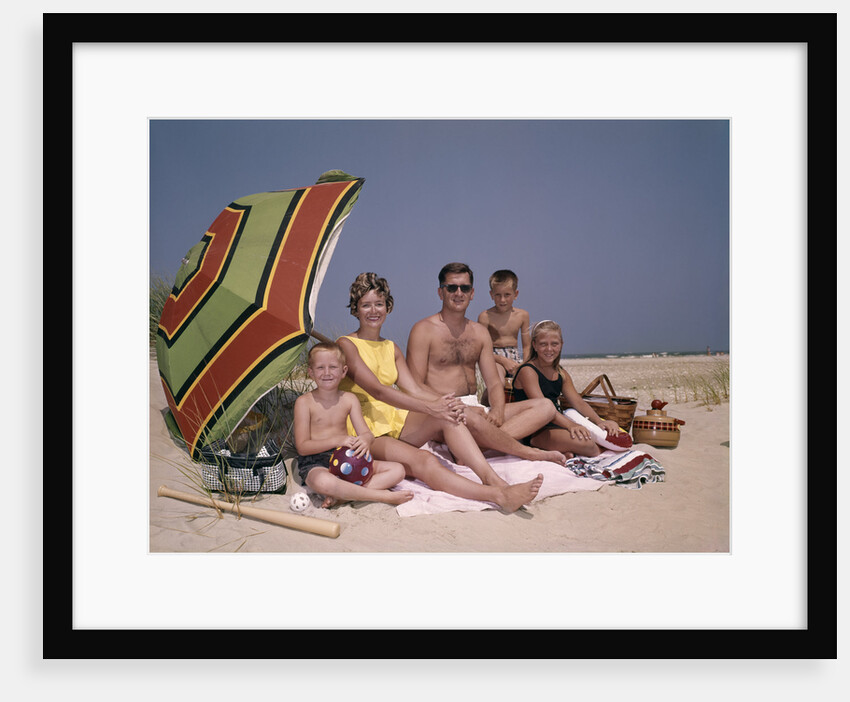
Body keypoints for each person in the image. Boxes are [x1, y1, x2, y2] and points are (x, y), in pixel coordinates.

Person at [336, 272, 544, 514]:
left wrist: (447, 404)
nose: (374, 311)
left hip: (395, 420)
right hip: (365, 431)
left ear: (388, 307)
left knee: (448, 415)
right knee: (425, 461)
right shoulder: (346, 345)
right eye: (366, 305)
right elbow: (378, 391)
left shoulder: (390, 347)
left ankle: (492, 479)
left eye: (379, 304)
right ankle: (498, 495)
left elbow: (412, 388)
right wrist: (428, 407)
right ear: (356, 309)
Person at [405, 262, 565, 465]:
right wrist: (458, 406)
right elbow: (415, 386)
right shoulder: (423, 330)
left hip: (477, 408)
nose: (458, 293)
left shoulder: (479, 333)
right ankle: (526, 452)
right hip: (443, 410)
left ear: (472, 293)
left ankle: (474, 449)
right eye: (452, 287)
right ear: (440, 292)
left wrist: (497, 409)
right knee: (469, 417)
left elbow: (494, 383)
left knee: (546, 407)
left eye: (465, 288)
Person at [293, 342, 414, 508]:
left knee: (398, 470)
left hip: (347, 457)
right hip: (316, 462)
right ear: (311, 372)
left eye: (333, 367)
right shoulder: (304, 402)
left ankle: (343, 496)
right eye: (320, 367)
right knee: (324, 481)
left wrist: (364, 440)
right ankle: (380, 496)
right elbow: (303, 447)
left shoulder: (349, 399)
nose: (327, 373)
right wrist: (339, 440)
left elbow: (366, 434)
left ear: (344, 371)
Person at [512, 320, 622, 458]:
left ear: (561, 344)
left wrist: (600, 422)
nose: (549, 349)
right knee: (587, 444)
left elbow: (578, 402)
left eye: (554, 344)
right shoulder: (528, 371)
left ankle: (563, 450)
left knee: (593, 438)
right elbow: (542, 409)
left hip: (557, 424)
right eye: (543, 344)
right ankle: (545, 447)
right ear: (534, 345)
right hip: (535, 431)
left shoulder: (560, 373)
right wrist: (571, 426)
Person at [477, 269, 531, 391]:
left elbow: (527, 346)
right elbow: (479, 349)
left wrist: (525, 365)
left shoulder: (522, 316)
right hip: (493, 357)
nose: (502, 300)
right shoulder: (485, 317)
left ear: (515, 294)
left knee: (528, 383)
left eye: (507, 295)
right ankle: (486, 404)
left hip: (516, 358)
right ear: (491, 294)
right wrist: (502, 360)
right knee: (499, 383)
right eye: (498, 295)